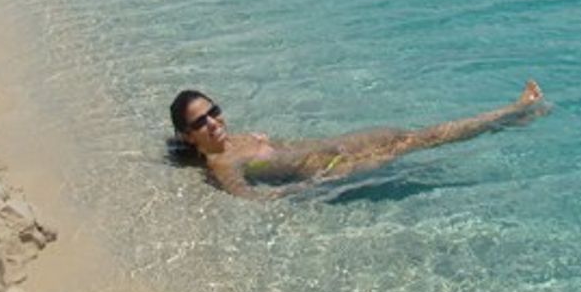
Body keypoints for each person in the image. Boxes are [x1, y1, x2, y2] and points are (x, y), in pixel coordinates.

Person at [169, 81, 549, 199]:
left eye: (213, 111)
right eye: (200, 122)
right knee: (426, 142)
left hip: (338, 145)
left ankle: (510, 117)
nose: (213, 122)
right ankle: (512, 114)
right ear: (189, 136)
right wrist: (313, 186)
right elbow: (255, 200)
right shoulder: (222, 164)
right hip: (337, 167)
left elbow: (285, 149)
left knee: (414, 135)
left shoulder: (238, 140)